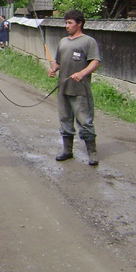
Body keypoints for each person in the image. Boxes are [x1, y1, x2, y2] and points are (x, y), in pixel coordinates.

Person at [47, 10, 101, 165]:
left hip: (80, 90)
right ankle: (67, 151)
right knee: (65, 120)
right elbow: (58, 61)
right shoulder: (63, 42)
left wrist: (82, 73)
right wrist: (53, 69)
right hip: (63, 89)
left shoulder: (88, 41)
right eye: (66, 23)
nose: (67, 26)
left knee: (85, 121)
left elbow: (95, 61)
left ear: (79, 23)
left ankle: (92, 153)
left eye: (70, 23)